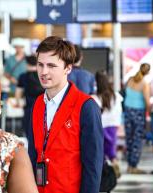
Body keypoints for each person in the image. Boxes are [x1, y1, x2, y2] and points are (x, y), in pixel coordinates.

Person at [28, 36, 103, 193]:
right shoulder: (37, 105)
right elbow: (32, 156)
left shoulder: (86, 107)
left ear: (68, 68)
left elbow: (93, 166)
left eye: (51, 66)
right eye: (40, 65)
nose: (44, 72)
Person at [92, 71, 123, 178]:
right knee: (111, 151)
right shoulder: (117, 96)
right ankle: (114, 168)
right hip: (113, 126)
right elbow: (119, 111)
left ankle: (102, 174)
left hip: (100, 127)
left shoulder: (94, 98)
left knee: (100, 151)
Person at [124, 63, 150, 174]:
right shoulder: (144, 83)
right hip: (138, 113)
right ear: (147, 72)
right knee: (137, 140)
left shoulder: (130, 80)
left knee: (129, 139)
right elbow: (147, 101)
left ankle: (129, 165)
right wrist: (150, 110)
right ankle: (133, 166)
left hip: (128, 112)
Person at [15, 55, 44, 136]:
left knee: (29, 131)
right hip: (43, 108)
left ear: (27, 64)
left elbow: (18, 92)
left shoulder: (23, 76)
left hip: (29, 108)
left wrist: (18, 103)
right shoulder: (43, 76)